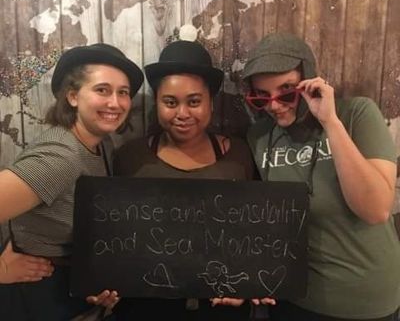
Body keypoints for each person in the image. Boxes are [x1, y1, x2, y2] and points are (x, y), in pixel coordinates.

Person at [242, 32, 400, 321]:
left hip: (367, 300)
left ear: (309, 80)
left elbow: (376, 210)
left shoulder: (356, 114)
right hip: (296, 297)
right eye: (262, 97)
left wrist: (330, 121)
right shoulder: (260, 137)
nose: (275, 106)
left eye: (287, 92)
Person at [112, 39, 272, 320]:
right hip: (146, 305)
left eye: (194, 101)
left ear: (211, 103)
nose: (182, 114)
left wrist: (247, 284)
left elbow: (256, 233)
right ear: (157, 103)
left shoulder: (240, 155)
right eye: (170, 102)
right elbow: (113, 235)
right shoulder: (129, 157)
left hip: (222, 305)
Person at [0, 43, 144, 320]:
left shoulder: (102, 144)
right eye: (102, 90)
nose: (115, 103)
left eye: (123, 92)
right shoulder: (61, 157)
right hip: (36, 293)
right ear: (73, 96)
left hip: (68, 285)